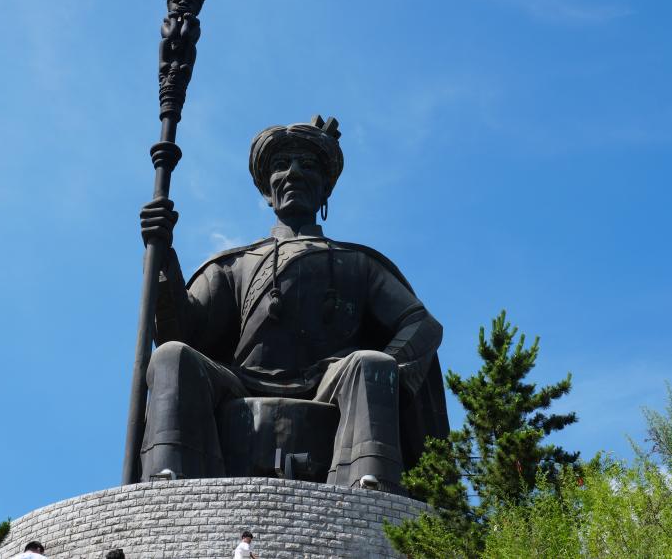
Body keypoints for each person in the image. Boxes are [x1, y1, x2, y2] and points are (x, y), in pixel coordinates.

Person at [139, 116, 448, 490]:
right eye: (281, 165)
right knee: (172, 355)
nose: (294, 173)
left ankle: (370, 486)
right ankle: (169, 478)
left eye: (308, 165)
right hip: (244, 382)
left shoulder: (358, 263)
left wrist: (386, 379)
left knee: (371, 364)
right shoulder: (233, 265)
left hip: (330, 381)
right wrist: (163, 261)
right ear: (267, 190)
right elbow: (179, 332)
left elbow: (422, 325)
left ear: (325, 188)